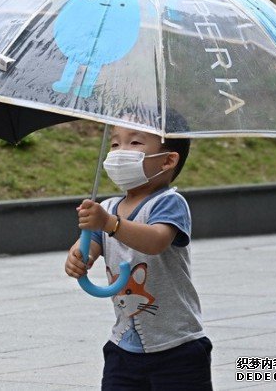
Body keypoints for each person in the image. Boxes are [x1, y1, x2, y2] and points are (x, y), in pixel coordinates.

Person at [64, 125, 212, 390]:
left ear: (167, 160)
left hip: (178, 347)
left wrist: (110, 223)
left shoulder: (169, 202)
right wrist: (78, 258)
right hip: (122, 347)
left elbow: (156, 241)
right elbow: (89, 248)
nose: (121, 153)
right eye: (115, 144)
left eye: (134, 143)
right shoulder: (107, 207)